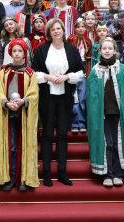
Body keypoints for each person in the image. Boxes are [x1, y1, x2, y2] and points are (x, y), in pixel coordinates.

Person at [31, 18, 84, 187]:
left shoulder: (72, 50)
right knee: (47, 134)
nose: (56, 31)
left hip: (65, 97)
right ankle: (46, 173)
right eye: (53, 29)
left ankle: (62, 171)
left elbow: (81, 73)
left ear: (63, 30)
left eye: (58, 28)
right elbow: (34, 72)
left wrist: (67, 76)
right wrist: (48, 77)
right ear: (49, 32)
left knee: (62, 134)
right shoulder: (42, 49)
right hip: (47, 96)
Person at [86, 37, 124, 187]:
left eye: (110, 48)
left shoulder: (122, 70)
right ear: (100, 51)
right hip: (102, 114)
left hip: (119, 114)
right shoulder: (95, 71)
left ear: (114, 51)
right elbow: (91, 95)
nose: (107, 51)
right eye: (104, 49)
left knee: (117, 144)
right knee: (107, 144)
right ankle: (107, 174)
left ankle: (118, 174)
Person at [0, 39, 39, 191]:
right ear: (10, 53)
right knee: (12, 147)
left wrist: (23, 101)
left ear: (25, 54)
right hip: (9, 115)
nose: (17, 54)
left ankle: (24, 178)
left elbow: (34, 95)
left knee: (24, 146)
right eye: (14, 51)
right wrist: (6, 103)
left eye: (20, 51)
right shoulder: (4, 71)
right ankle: (12, 177)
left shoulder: (30, 73)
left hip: (24, 115)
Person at [66, 18, 92, 133]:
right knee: (74, 97)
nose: (81, 28)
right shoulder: (71, 39)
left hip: (84, 69)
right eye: (78, 26)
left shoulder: (88, 41)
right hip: (72, 69)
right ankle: (74, 122)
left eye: (83, 26)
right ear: (75, 28)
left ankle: (82, 122)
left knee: (82, 97)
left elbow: (89, 58)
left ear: (86, 28)